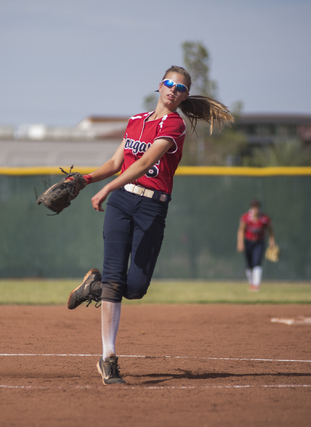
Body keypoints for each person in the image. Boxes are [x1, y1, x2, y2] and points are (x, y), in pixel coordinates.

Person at [66, 65, 233, 385]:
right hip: (122, 204)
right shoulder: (136, 121)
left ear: (184, 96)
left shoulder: (175, 126)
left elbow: (145, 162)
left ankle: (94, 287)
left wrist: (107, 187)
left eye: (181, 88)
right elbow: (118, 162)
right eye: (169, 83)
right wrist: (86, 180)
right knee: (115, 277)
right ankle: (108, 358)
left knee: (137, 288)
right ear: (159, 86)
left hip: (151, 209)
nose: (173, 90)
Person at [237, 199, 275, 292]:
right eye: (254, 207)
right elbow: (241, 230)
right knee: (249, 264)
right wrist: (240, 243)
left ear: (259, 208)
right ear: (251, 208)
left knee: (256, 262)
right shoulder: (246, 217)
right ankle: (252, 283)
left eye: (257, 207)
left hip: (259, 242)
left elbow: (270, 230)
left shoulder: (264, 218)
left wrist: (272, 241)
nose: (255, 209)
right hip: (248, 242)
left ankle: (256, 285)